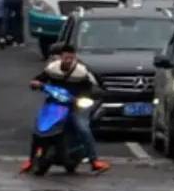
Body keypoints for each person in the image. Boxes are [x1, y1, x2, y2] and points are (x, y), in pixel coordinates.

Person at [22, 44, 110, 174]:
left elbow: (92, 86)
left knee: (82, 127)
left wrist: (82, 98)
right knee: (38, 126)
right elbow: (40, 79)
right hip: (54, 102)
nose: (68, 60)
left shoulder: (81, 71)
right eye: (65, 57)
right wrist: (35, 83)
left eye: (71, 57)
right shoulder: (52, 68)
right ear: (61, 57)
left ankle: (94, 160)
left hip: (74, 104)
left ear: (74, 57)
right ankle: (30, 159)